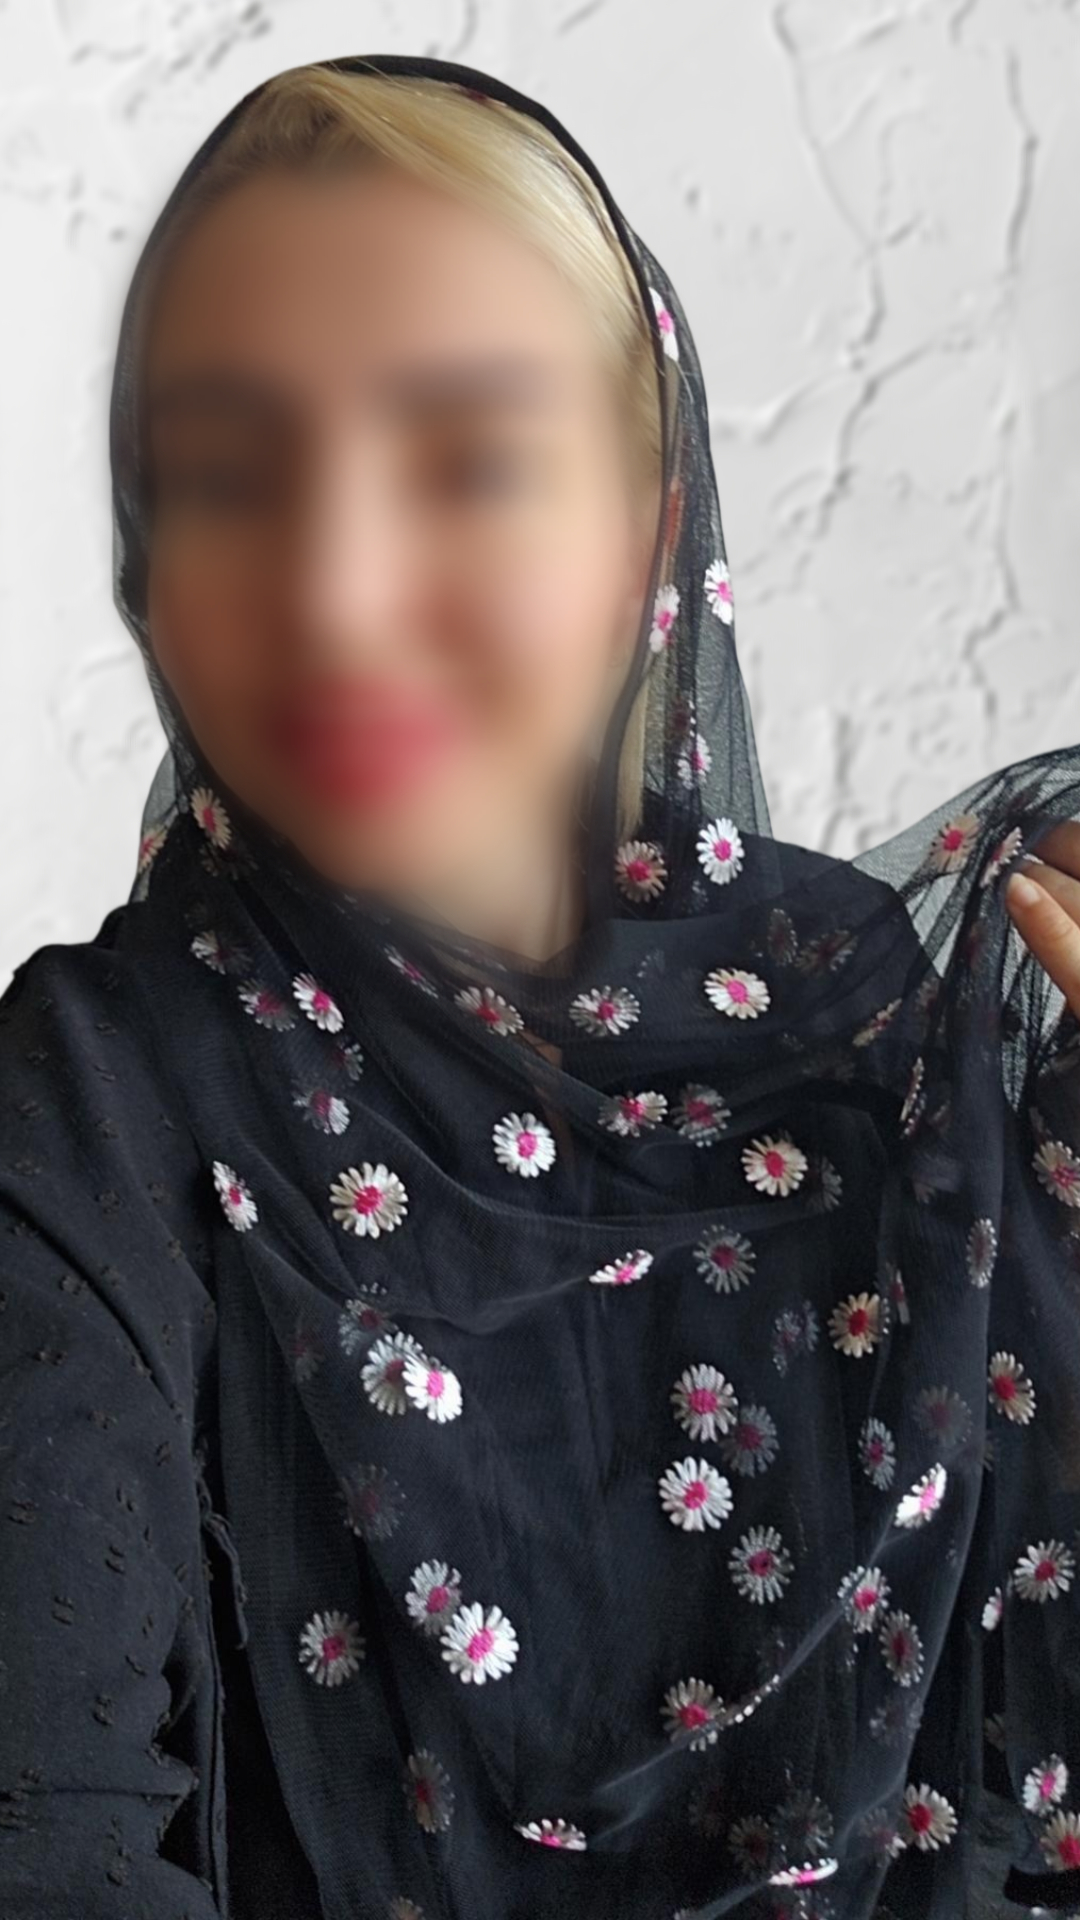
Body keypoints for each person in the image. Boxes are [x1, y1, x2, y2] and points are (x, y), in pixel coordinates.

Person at [1, 50, 1079, 1920]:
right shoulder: (87, 1112)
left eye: (470, 464)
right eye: (226, 476)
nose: (337, 594)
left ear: (654, 518)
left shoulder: (891, 1058)